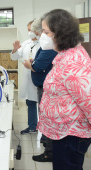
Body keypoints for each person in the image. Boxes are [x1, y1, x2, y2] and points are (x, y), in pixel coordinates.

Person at [38, 9, 91, 170]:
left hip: (71, 134)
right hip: (64, 132)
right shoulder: (65, 55)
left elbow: (88, 100)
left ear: (59, 33)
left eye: (46, 32)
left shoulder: (73, 61)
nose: (42, 36)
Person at [23, 18, 58, 162]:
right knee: (44, 117)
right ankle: (46, 141)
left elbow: (38, 66)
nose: (39, 35)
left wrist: (30, 65)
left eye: (43, 32)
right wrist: (34, 63)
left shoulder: (49, 47)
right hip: (42, 86)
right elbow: (38, 62)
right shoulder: (44, 46)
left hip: (46, 88)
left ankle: (49, 152)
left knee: (48, 119)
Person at [10, 20, 40, 134]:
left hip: (41, 79)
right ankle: (32, 127)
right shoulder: (26, 43)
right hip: (28, 79)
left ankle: (46, 131)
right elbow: (14, 57)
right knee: (31, 103)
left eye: (32, 30)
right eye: (28, 30)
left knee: (43, 106)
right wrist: (15, 49)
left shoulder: (45, 44)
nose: (30, 32)